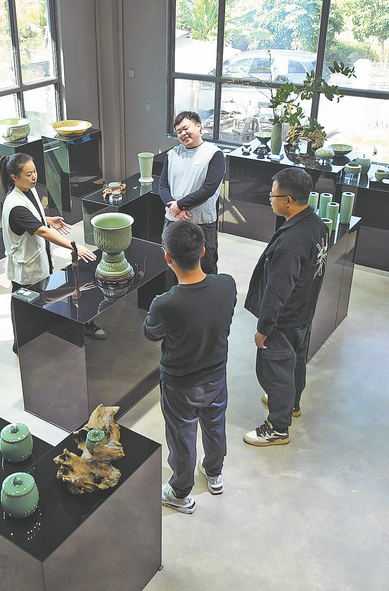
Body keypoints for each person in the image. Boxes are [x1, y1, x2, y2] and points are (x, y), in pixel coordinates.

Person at [142, 220, 236, 513]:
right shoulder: (227, 285)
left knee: (182, 437)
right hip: (216, 375)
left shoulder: (165, 304)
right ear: (203, 251)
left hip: (180, 384)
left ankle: (181, 492)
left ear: (167, 257)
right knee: (215, 425)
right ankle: (214, 473)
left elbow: (150, 333)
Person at [243, 167, 328, 446]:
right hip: (303, 314)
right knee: (295, 364)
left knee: (277, 372)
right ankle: (292, 404)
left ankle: (278, 427)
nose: (270, 199)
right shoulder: (317, 224)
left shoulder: (290, 243)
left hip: (283, 319)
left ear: (288, 201)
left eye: (273, 195)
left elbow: (277, 291)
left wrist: (264, 327)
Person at [0, 153, 102, 348]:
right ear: (14, 177)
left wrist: (47, 219)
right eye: (29, 174)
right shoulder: (14, 204)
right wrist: (74, 246)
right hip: (25, 270)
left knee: (42, 303)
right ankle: (21, 346)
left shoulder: (28, 189)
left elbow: (34, 219)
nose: (34, 177)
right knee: (25, 312)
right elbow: (42, 231)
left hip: (38, 263)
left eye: (35, 171)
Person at [158, 111, 226, 275]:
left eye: (186, 128)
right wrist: (175, 209)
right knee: (171, 266)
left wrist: (180, 205)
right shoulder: (172, 154)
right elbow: (162, 186)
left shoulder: (214, 154)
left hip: (202, 223)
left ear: (198, 126)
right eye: (179, 131)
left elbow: (209, 189)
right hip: (173, 220)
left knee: (205, 266)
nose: (183, 133)